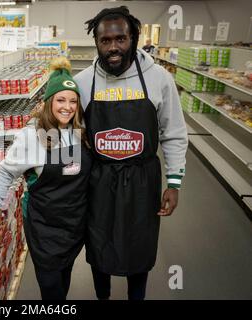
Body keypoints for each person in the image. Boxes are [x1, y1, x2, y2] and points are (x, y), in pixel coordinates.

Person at [74, 6, 188, 300]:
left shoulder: (159, 78)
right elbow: (73, 132)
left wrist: (174, 183)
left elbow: (173, 132)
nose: (113, 47)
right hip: (99, 180)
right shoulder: (83, 82)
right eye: (105, 40)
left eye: (121, 39)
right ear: (96, 42)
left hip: (142, 180)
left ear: (134, 38)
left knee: (140, 246)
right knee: (99, 244)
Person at [0, 57, 92, 300]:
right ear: (48, 102)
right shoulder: (33, 136)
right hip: (44, 228)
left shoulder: (79, 131)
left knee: (64, 278)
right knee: (51, 288)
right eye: (61, 100)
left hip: (73, 226)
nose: (67, 107)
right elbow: (5, 171)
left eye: (73, 101)